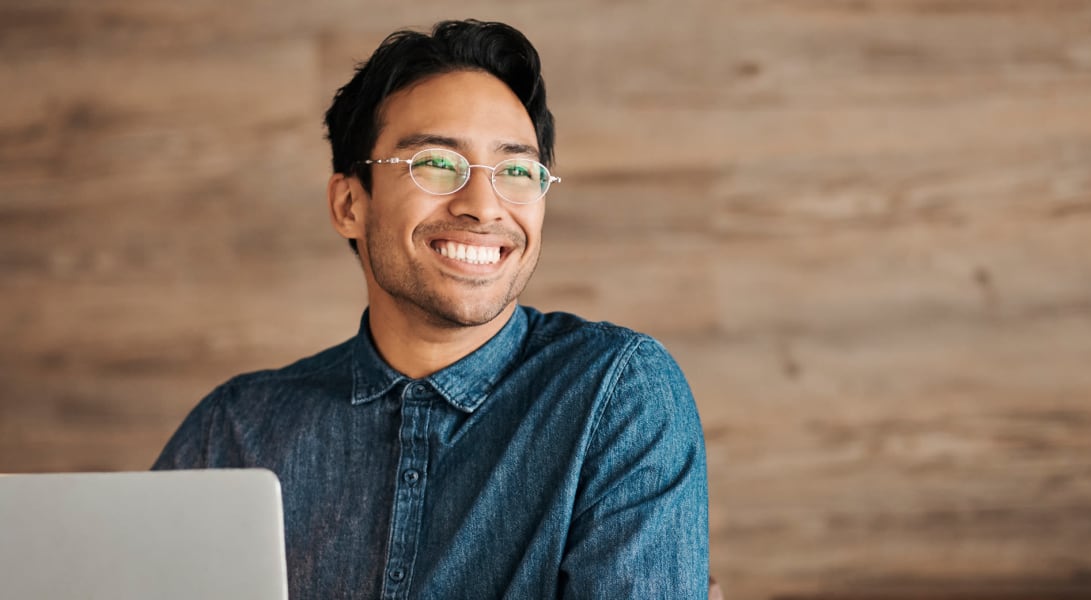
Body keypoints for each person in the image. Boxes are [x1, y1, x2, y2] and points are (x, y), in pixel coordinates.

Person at [152, 19, 710, 599]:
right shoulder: (237, 430)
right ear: (349, 203)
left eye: (516, 170)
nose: (482, 206)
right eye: (437, 163)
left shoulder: (615, 393)